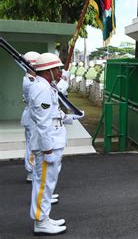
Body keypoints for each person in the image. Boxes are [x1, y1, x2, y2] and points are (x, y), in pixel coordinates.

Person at [29, 53, 83, 235]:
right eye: (57, 69)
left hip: (52, 140)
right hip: (48, 144)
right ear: (48, 71)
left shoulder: (45, 86)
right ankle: (40, 222)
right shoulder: (42, 89)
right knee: (44, 184)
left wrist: (70, 118)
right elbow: (43, 124)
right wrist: (48, 150)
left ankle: (44, 217)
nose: (60, 72)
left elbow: (52, 115)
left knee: (47, 183)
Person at [21, 51, 40, 183]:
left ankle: (33, 171)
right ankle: (31, 171)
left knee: (34, 145)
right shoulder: (30, 81)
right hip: (32, 117)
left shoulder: (33, 79)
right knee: (32, 146)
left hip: (33, 117)